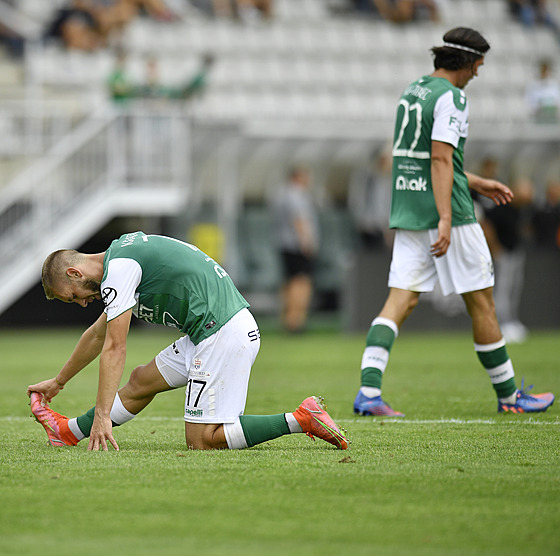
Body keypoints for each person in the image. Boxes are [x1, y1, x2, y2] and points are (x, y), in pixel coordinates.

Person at [353, 27, 555, 417]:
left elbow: (422, 156)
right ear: (466, 63)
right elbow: (441, 159)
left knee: (400, 300)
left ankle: (369, 392)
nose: (479, 73)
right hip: (451, 213)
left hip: (409, 209)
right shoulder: (454, 98)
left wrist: (477, 180)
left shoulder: (413, 91)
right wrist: (447, 217)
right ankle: (511, 397)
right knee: (482, 304)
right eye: (479, 64)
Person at [27, 231, 348, 451]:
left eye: (73, 297)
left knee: (202, 440)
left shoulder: (119, 269)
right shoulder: (120, 259)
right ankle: (67, 432)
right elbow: (98, 334)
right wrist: (59, 382)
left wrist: (102, 415)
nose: (82, 303)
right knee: (141, 381)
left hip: (223, 332)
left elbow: (114, 346)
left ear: (74, 273)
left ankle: (301, 418)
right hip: (209, 330)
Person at [483, 177, 535, 343]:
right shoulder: (502, 206)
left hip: (515, 253)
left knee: (515, 287)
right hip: (503, 254)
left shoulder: (521, 210)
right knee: (502, 290)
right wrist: (495, 247)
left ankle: (512, 321)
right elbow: (486, 224)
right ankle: (501, 324)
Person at [272, 166, 320, 333]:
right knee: (301, 282)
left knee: (289, 282)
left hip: (284, 245)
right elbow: (299, 220)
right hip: (297, 246)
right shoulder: (296, 196)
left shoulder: (281, 195)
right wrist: (307, 242)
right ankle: (296, 320)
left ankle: (287, 319)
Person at [526, 59, 560, 124]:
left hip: (552, 117)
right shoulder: (532, 85)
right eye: (543, 70)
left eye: (546, 70)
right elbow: (528, 101)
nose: (545, 72)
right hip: (537, 117)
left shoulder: (554, 84)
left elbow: (557, 100)